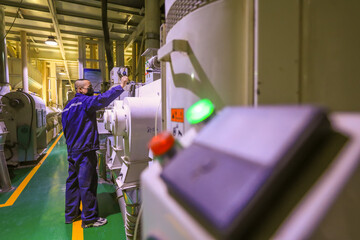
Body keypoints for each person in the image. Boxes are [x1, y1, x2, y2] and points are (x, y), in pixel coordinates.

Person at [62, 77, 128, 228]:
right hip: (85, 149)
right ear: (80, 90)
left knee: (72, 182)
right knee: (88, 184)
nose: (91, 89)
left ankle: (71, 214)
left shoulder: (67, 106)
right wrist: (120, 86)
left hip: (72, 149)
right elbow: (102, 100)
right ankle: (90, 219)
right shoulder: (85, 102)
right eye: (89, 87)